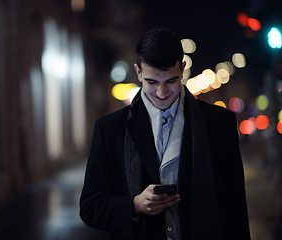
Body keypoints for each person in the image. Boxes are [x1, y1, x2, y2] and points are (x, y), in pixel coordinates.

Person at [79, 28, 251, 240]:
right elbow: (90, 208)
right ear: (138, 72)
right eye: (152, 82)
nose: (161, 93)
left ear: (183, 69)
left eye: (171, 81)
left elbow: (236, 206)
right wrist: (134, 205)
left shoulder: (219, 123)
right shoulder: (110, 129)